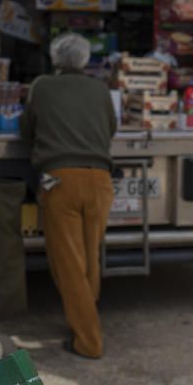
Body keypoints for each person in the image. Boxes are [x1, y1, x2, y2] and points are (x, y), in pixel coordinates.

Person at [19, 33, 117, 359]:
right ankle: (84, 323)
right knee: (90, 260)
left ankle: (88, 341)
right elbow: (111, 128)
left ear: (55, 59)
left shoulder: (42, 86)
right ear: (85, 60)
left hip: (60, 181)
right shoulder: (101, 90)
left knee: (69, 265)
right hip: (100, 180)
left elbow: (26, 130)